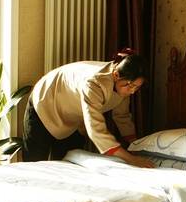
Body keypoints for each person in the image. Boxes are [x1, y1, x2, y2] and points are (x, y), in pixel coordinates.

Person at [23, 49, 155, 168]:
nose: (132, 91)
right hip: (45, 103)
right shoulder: (94, 82)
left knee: (69, 166)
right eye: (130, 85)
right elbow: (96, 129)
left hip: (72, 115)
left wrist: (135, 145)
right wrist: (131, 159)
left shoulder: (124, 84)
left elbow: (122, 116)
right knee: (34, 164)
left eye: (137, 87)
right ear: (115, 75)